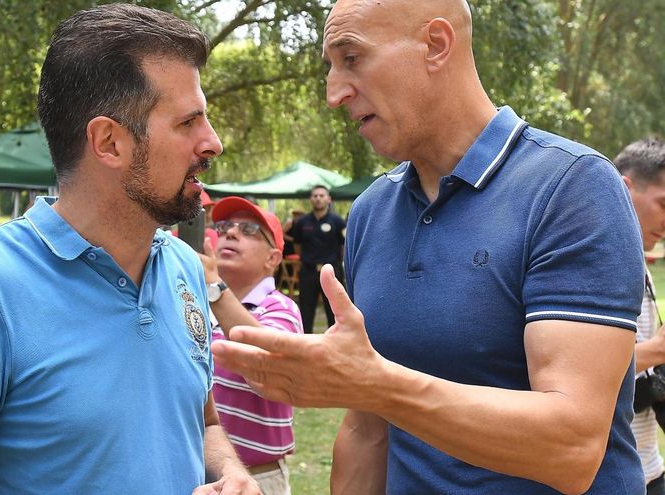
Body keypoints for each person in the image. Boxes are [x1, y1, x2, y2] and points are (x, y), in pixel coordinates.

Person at [211, 1, 646, 494]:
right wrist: (369, 388)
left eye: (351, 57)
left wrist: (375, 384)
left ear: (436, 45)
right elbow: (365, 431)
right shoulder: (373, 209)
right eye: (329, 67)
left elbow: (572, 449)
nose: (334, 93)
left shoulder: (571, 187)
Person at [0, 5, 259, 494]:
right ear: (108, 142)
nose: (211, 142)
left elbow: (203, 420)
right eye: (188, 122)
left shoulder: (184, 269)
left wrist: (230, 473)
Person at [198, 196, 301, 494]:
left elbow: (263, 363)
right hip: (196, 472)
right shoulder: (196, 303)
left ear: (273, 259)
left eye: (249, 230)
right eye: (225, 226)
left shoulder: (280, 308)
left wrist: (215, 288)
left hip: (256, 479)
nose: (231, 233)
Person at [615, 137, 665, 494]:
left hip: (649, 465)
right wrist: (659, 350)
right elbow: (583, 367)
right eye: (663, 204)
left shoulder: (637, 259)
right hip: (617, 474)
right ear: (624, 187)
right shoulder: (598, 262)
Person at [292, 185, 345, 333]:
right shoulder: (302, 222)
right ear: (311, 199)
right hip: (308, 272)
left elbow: (344, 245)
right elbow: (297, 246)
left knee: (334, 312)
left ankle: (336, 345)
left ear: (329, 199)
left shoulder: (338, 221)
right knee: (306, 311)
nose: (318, 198)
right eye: (315, 196)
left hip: (332, 273)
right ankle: (304, 347)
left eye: (322, 195)